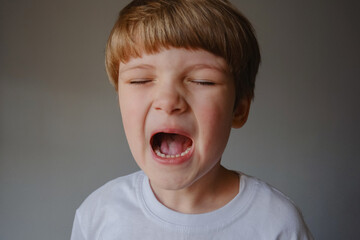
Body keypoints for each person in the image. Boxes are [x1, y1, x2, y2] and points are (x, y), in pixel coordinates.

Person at [71, 0, 313, 239]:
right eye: (140, 80)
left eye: (202, 81)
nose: (167, 101)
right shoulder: (97, 216)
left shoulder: (277, 225)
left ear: (239, 108)